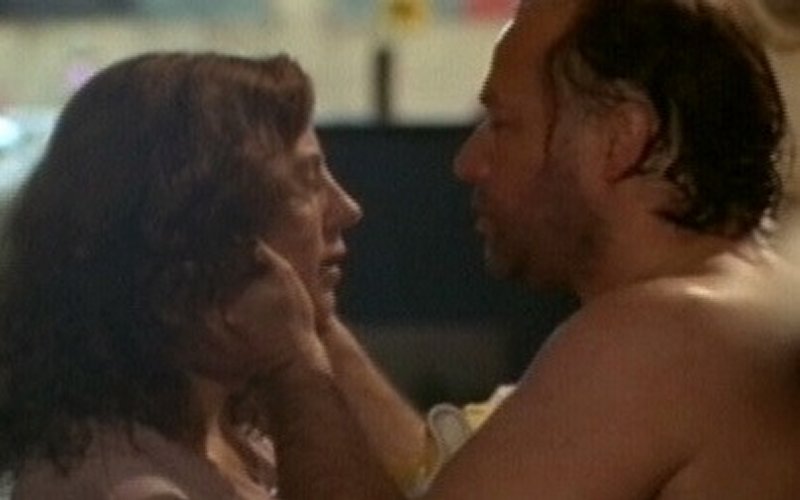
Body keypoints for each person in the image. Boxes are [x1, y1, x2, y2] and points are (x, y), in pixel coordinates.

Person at [246, 0, 800, 498]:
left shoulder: (661, 338)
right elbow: (444, 477)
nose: (468, 163)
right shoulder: (744, 302)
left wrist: (290, 368)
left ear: (620, 139)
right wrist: (311, 325)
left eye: (503, 124)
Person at [0, 51, 410, 499]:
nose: (348, 209)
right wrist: (295, 367)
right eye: (306, 181)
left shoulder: (240, 440)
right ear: (204, 228)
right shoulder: (126, 488)